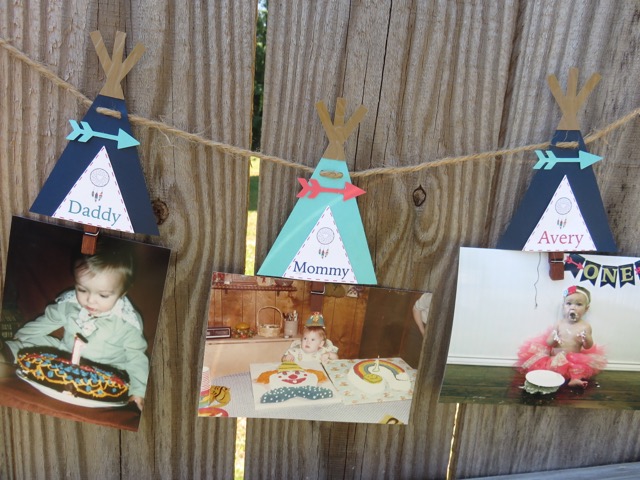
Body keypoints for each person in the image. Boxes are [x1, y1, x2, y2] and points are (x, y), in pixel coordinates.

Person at [0, 241, 149, 410]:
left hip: (108, 370)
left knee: (124, 380)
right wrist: (21, 335)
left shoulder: (127, 323)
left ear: (122, 293)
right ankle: (5, 354)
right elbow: (47, 321)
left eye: (103, 295)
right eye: (82, 290)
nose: (90, 300)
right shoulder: (70, 304)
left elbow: (137, 358)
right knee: (35, 343)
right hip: (64, 354)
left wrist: (138, 391)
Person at [516, 285, 606, 388]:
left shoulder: (585, 326)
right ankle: (549, 376)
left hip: (573, 356)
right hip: (556, 354)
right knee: (550, 365)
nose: (573, 307)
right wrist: (554, 338)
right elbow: (549, 343)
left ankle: (574, 379)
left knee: (577, 367)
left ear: (586, 309)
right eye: (569, 303)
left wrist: (587, 339)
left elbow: (587, 346)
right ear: (564, 306)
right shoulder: (559, 324)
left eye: (579, 304)